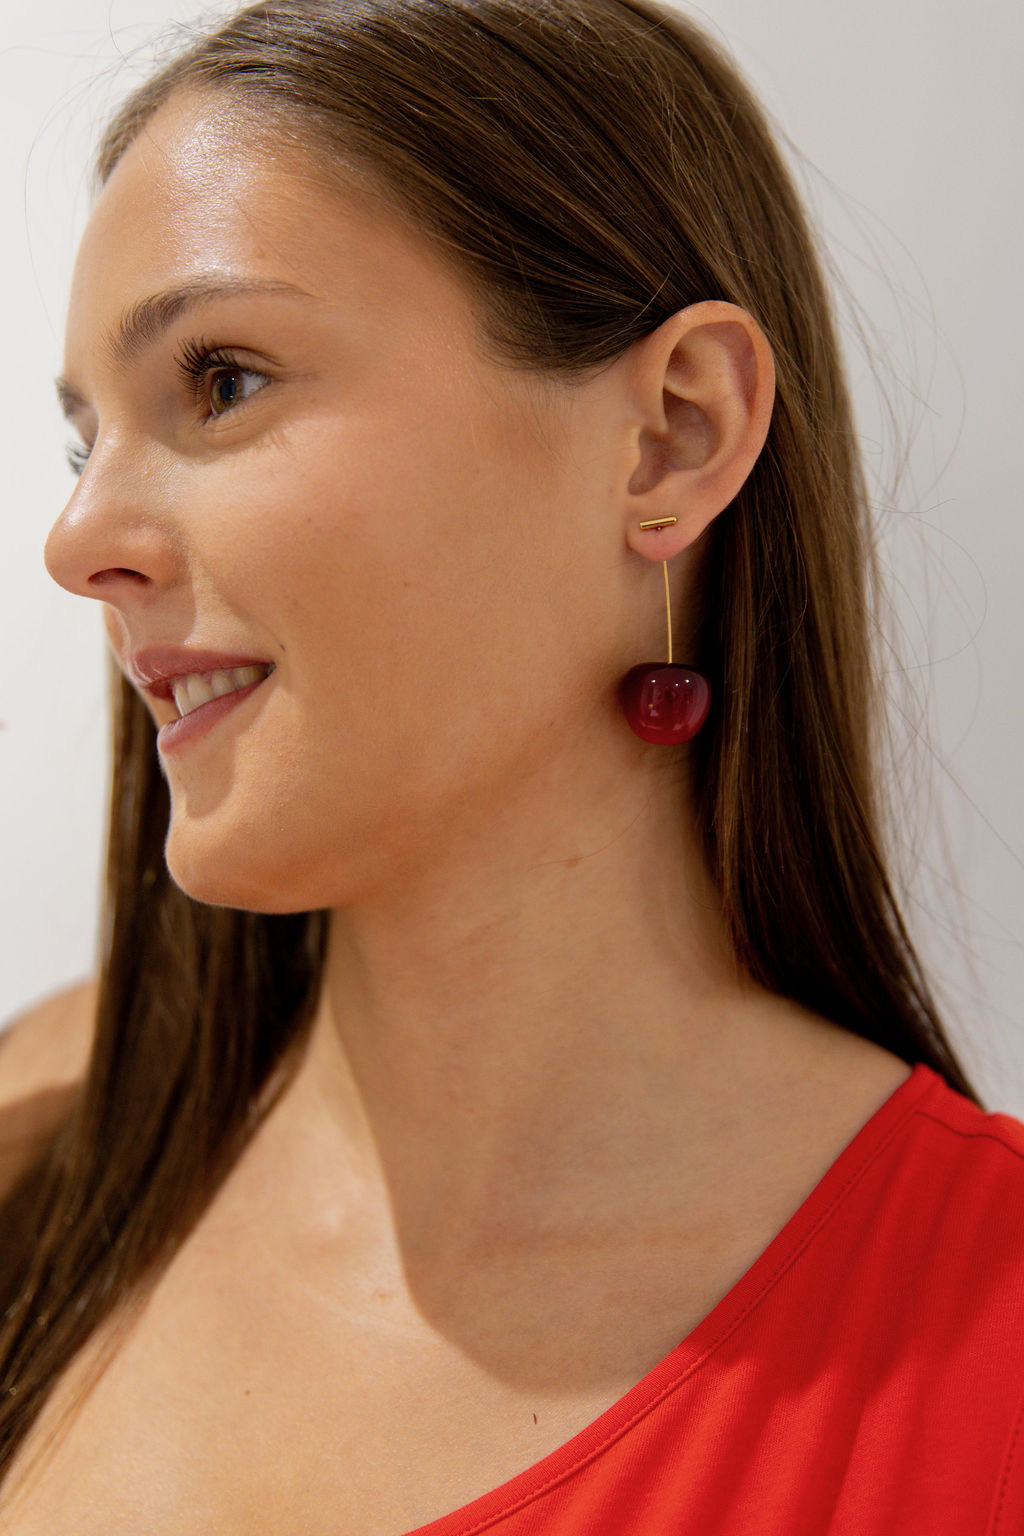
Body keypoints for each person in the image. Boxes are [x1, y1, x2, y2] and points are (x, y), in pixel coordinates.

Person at [1, 0, 1022, 1528]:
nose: (77, 541)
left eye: (222, 381)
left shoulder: (989, 1352)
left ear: (673, 436)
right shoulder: (39, 1166)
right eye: (87, 445)